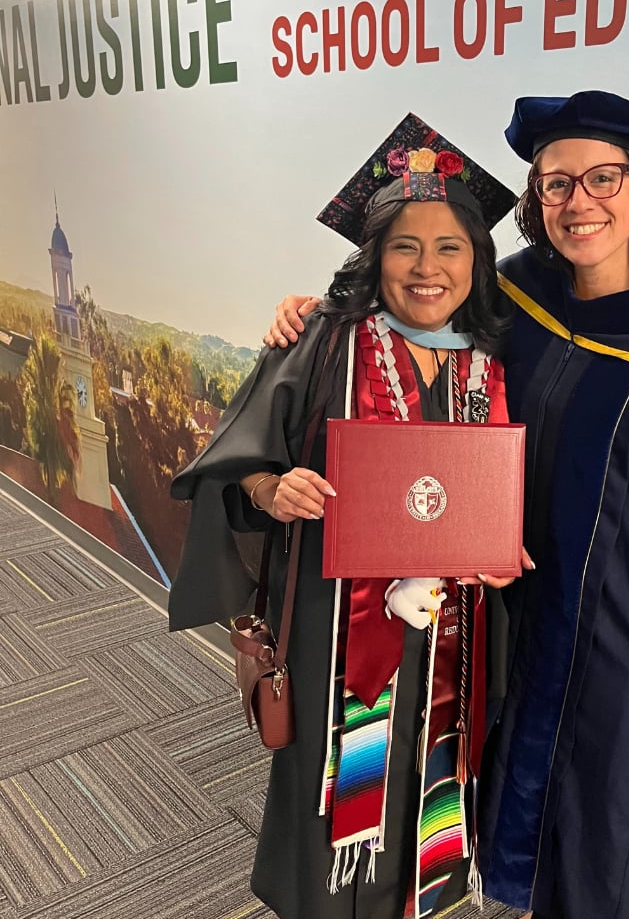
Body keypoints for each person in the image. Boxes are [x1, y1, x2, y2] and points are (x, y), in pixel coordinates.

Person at [264, 90, 629, 919]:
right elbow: (409, 309)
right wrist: (314, 307)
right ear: (535, 198)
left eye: (604, 179)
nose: (578, 203)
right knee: (492, 801)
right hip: (506, 614)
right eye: (555, 184)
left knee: (603, 837)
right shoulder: (515, 298)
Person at [167, 114, 523, 919]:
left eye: (450, 247)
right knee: (334, 793)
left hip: (448, 630)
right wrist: (269, 488)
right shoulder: (326, 340)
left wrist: (500, 556)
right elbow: (243, 454)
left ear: (478, 259)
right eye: (404, 246)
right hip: (338, 624)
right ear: (374, 256)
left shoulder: (489, 363)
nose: (427, 268)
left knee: (423, 781)